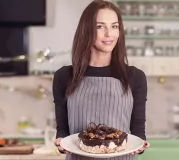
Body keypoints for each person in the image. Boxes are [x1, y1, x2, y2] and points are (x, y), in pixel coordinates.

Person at [52, 0, 150, 159]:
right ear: (87, 30)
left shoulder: (135, 76)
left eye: (114, 26)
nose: (109, 33)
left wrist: (141, 144)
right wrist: (61, 142)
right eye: (100, 26)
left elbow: (138, 131)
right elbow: (63, 129)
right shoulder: (64, 76)